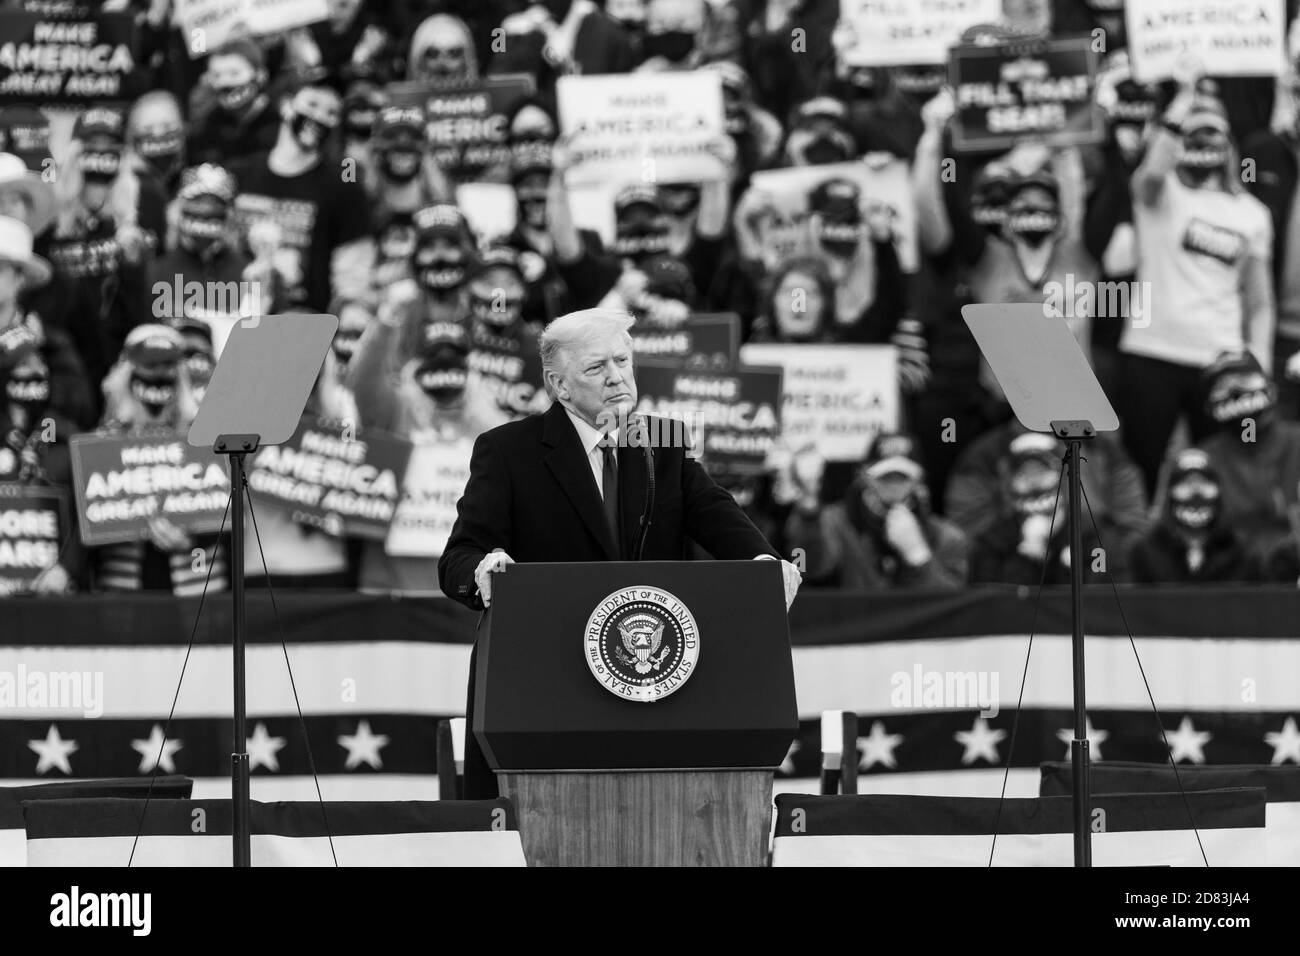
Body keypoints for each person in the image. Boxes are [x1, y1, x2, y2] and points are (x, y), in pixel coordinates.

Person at [438, 308, 801, 798]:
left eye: (622, 361)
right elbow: (459, 557)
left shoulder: (662, 440)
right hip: (543, 687)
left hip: (649, 688)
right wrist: (482, 571)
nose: (616, 377)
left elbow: (714, 510)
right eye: (596, 368)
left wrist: (764, 563)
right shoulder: (507, 451)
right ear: (559, 385)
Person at [229, 71, 375, 313]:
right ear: (286, 105)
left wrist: (349, 314)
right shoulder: (240, 173)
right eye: (312, 104)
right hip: (237, 315)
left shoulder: (344, 185)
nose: (319, 117)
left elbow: (353, 272)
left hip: (305, 325)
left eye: (331, 113)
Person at [784, 432, 969, 590]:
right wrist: (809, 510)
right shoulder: (834, 521)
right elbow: (809, 570)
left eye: (902, 477)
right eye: (885, 477)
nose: (893, 487)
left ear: (919, 480)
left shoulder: (947, 536)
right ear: (863, 476)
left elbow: (953, 612)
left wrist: (919, 556)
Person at [1128, 448, 1261, 584]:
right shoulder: (1145, 552)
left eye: (1205, 482)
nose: (1196, 493)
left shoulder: (1243, 552)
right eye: (1185, 483)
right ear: (1170, 495)